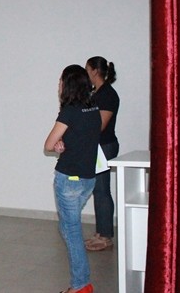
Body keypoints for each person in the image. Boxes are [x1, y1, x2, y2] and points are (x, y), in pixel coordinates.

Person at [44, 64, 101, 293]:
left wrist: (57, 144)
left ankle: (80, 285)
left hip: (69, 179)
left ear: (67, 85)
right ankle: (82, 284)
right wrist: (63, 144)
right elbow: (81, 139)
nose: (58, 84)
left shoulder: (69, 111)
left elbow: (48, 144)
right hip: (88, 178)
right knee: (70, 228)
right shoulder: (93, 108)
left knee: (72, 232)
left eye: (60, 81)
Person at [83, 56, 120, 251]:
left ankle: (105, 237)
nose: (85, 73)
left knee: (102, 190)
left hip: (104, 146)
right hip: (97, 146)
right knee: (98, 189)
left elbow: (100, 125)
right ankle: (101, 232)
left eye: (87, 69)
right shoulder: (95, 93)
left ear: (95, 71)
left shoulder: (107, 94)